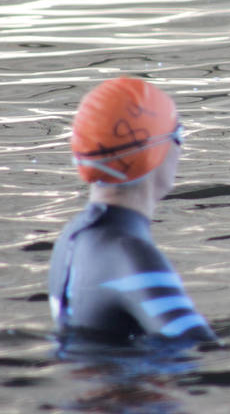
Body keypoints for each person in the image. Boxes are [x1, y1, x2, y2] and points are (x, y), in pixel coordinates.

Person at [48, 78, 217, 344]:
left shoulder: (73, 236)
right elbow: (200, 350)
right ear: (156, 152)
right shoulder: (129, 254)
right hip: (133, 386)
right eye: (179, 134)